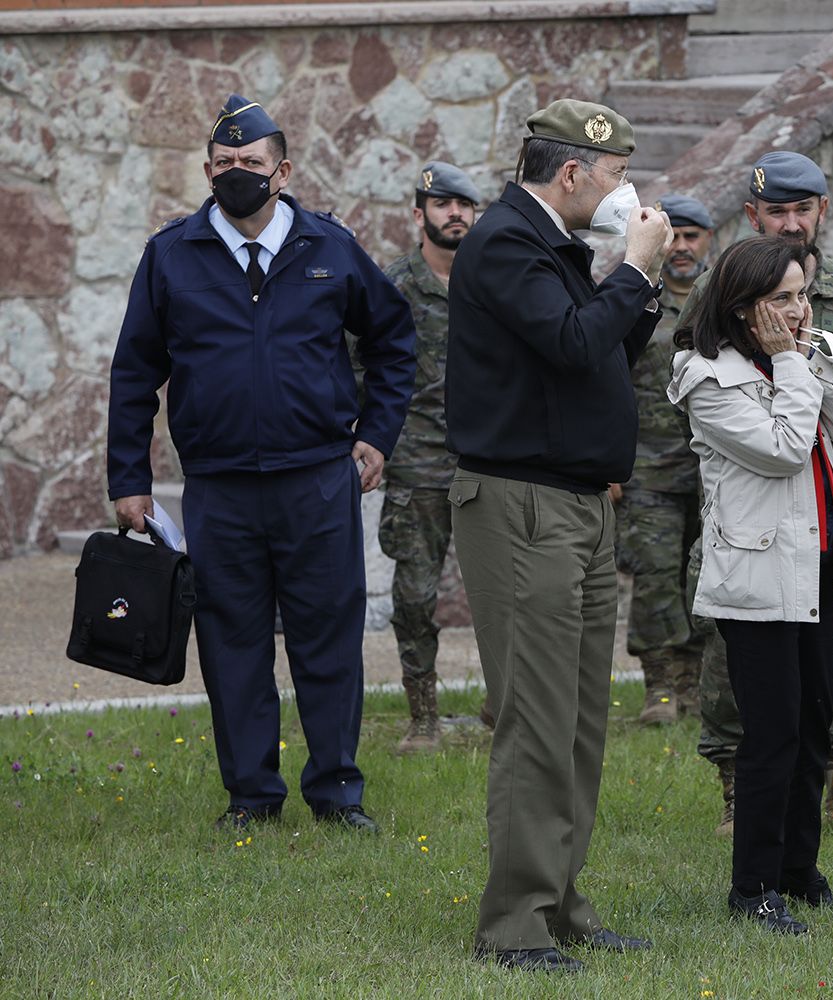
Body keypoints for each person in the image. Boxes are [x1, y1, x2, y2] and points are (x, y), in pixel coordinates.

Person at [107, 93, 416, 833]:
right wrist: (129, 480)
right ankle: (252, 796)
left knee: (328, 639)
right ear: (208, 170)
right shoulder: (172, 254)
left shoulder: (329, 248)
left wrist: (377, 433)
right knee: (231, 642)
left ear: (281, 171)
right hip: (220, 489)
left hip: (316, 480)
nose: (237, 172)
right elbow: (133, 372)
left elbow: (394, 340)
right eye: (224, 163)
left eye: (251, 162)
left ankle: (338, 793)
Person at [445, 98, 672, 973]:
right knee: (537, 720)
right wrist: (630, 267)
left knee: (579, 720)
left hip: (578, 504)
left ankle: (559, 901)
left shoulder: (553, 248)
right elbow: (578, 342)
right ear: (572, 173)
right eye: (617, 175)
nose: (626, 192)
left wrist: (639, 283)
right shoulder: (505, 241)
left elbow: (609, 350)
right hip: (522, 504)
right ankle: (513, 924)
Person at [667, 236, 833, 935]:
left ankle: (797, 872)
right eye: (782, 298)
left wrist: (813, 360)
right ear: (743, 306)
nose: (798, 308)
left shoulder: (800, 358)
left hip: (815, 561)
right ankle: (752, 886)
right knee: (772, 731)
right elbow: (784, 452)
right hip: (755, 574)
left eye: (803, 294)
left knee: (815, 722)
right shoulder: (704, 376)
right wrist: (790, 362)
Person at [684, 151, 833, 840]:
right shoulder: (721, 301)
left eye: (804, 209)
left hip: (831, 511)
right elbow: (768, 443)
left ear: (822, 211)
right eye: (778, 211)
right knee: (743, 675)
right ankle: (740, 795)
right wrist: (795, 364)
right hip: (758, 512)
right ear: (754, 216)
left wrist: (813, 358)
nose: (792, 222)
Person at [373, 161, 481, 753]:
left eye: (465, 205)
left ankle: (504, 706)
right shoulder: (391, 288)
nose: (455, 214)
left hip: (488, 461)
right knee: (414, 595)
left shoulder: (493, 281)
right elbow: (360, 367)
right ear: (420, 214)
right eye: (443, 204)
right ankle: (424, 717)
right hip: (415, 463)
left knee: (506, 592)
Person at [618, 194, 715, 724]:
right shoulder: (635, 296)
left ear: (708, 240)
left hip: (713, 471)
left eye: (692, 236)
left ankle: (696, 685)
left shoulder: (721, 301)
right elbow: (608, 380)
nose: (681, 247)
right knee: (654, 576)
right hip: (648, 468)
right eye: (673, 236)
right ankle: (658, 687)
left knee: (705, 575)